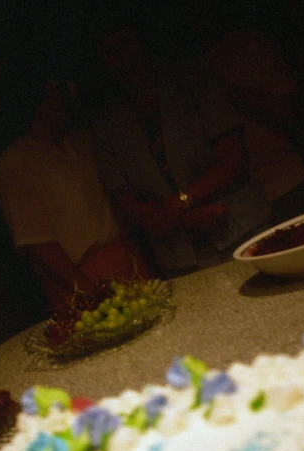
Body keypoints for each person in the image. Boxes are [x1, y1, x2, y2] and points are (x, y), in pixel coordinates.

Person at [94, 26, 271, 277]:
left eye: (127, 43)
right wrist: (183, 218)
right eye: (111, 52)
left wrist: (178, 203)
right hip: (180, 258)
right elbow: (126, 202)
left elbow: (233, 158)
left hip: (242, 229)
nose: (123, 57)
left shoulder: (194, 80)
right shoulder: (107, 125)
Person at [0, 65, 152, 313]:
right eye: (56, 88)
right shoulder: (16, 163)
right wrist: (93, 295)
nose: (66, 94)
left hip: (127, 258)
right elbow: (39, 246)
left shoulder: (82, 140)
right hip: (82, 280)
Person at [205, 28, 304, 225]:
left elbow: (287, 110)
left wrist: (228, 92)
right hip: (236, 208)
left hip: (283, 181)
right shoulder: (185, 72)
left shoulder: (246, 45)